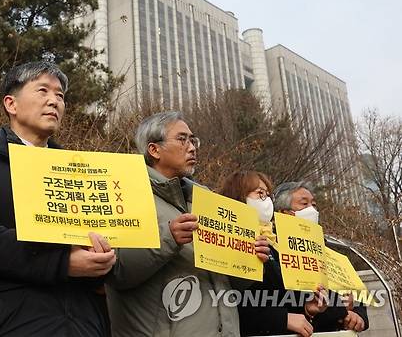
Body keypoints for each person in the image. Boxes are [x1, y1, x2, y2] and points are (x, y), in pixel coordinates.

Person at [0, 61, 116, 336]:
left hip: (83, 324)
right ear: (11, 104)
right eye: (43, 91)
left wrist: (103, 262)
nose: (54, 101)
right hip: (6, 323)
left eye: (61, 95)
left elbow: (108, 238)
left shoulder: (82, 174)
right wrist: (62, 263)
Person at [105, 111, 270, 337]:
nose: (192, 147)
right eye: (182, 139)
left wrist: (249, 260)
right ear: (154, 150)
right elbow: (117, 272)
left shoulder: (207, 203)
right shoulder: (125, 192)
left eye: (193, 140)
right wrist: (168, 237)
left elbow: (228, 287)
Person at [220, 171, 326, 337]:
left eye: (268, 195)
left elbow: (278, 296)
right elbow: (227, 299)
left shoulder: (274, 244)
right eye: (259, 194)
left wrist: (306, 308)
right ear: (239, 197)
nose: (267, 201)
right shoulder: (226, 240)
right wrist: (281, 319)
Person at [272, 181, 369, 334]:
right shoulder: (273, 252)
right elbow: (287, 300)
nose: (312, 210)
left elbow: (355, 293)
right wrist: (341, 313)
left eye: (314, 204)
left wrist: (358, 315)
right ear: (284, 212)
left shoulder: (328, 250)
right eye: (304, 204)